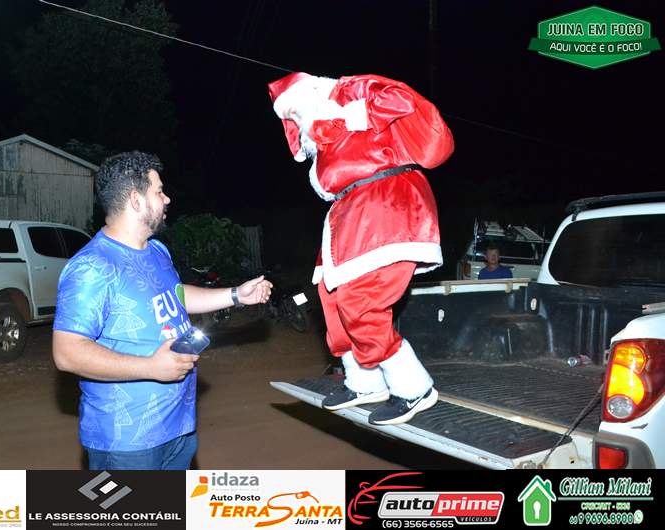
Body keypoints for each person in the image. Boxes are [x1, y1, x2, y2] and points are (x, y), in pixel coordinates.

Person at [51, 151, 272, 470]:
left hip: (178, 426)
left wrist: (236, 295)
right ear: (135, 199)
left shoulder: (156, 250)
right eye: (159, 191)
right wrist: (151, 367)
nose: (167, 199)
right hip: (127, 442)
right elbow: (67, 353)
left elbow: (176, 297)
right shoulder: (92, 267)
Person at [268, 72, 454, 425]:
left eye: (294, 106)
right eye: (287, 114)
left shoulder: (347, 94)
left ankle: (413, 387)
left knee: (361, 300)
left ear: (312, 93)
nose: (292, 115)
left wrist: (353, 114)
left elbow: (401, 99)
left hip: (386, 203)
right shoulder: (323, 140)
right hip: (347, 213)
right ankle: (365, 381)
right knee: (330, 296)